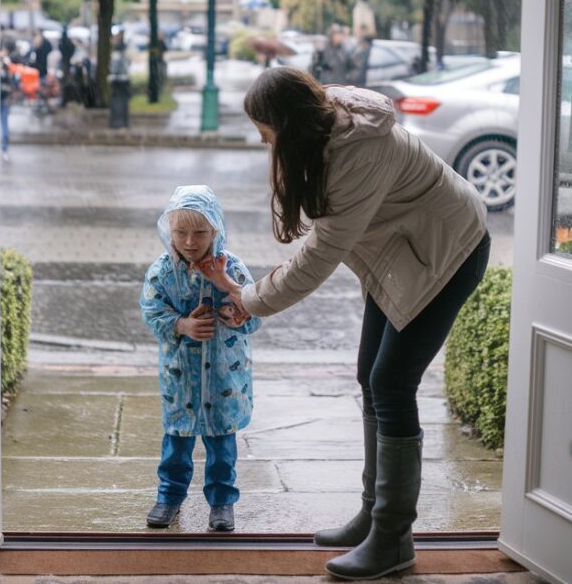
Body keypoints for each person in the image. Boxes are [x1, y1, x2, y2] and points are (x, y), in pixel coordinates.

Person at [198, 67, 490, 580]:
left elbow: (318, 257)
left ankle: (393, 538)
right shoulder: (323, 123)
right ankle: (372, 517)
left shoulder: (358, 153)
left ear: (287, 124)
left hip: (447, 251)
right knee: (369, 377)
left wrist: (249, 299)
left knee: (391, 384)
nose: (264, 144)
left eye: (266, 134)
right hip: (405, 253)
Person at [139, 185, 261, 533]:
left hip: (224, 377)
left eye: (199, 233)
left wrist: (238, 314)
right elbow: (151, 311)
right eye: (180, 232)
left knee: (222, 445)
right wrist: (182, 324)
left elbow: (256, 311)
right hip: (180, 378)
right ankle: (169, 497)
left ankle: (222, 502)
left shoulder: (232, 268)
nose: (190, 241)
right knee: (176, 443)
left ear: (215, 231)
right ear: (169, 232)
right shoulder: (162, 272)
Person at [0, 47, 16, 161]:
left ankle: (4, 149)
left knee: (4, 125)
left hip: (3, 100)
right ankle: (3, 149)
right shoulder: (5, 66)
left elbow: (11, 84)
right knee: (2, 125)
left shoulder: (6, 66)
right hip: (1, 100)